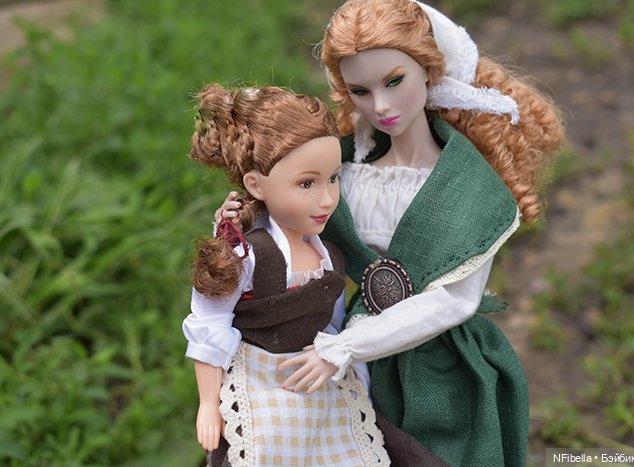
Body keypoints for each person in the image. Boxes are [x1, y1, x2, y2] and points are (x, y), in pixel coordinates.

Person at [216, 0, 565, 464]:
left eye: (394, 81)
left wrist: (345, 347)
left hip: (442, 366)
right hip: (350, 357)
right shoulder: (343, 168)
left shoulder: (466, 184)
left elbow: (455, 301)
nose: (380, 106)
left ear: (430, 70)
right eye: (360, 91)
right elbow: (292, 228)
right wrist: (239, 222)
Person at [183, 84, 390, 466]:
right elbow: (209, 324)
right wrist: (208, 403)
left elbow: (333, 324)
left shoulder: (329, 255)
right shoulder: (248, 255)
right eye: (307, 183)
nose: (327, 198)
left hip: (319, 394)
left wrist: (354, 375)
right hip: (261, 391)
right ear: (255, 184)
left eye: (333, 178)